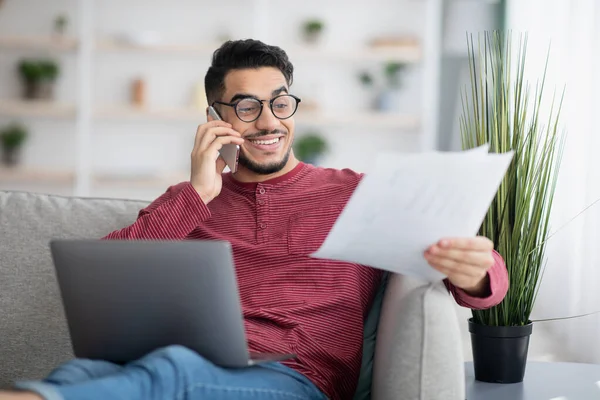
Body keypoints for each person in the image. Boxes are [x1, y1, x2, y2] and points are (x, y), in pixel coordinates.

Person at [0, 39, 508, 400]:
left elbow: (482, 278)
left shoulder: (354, 193)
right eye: (246, 107)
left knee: (171, 371)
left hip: (295, 379)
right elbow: (104, 272)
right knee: (84, 371)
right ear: (213, 121)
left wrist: (478, 272)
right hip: (179, 367)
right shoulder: (191, 202)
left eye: (279, 103)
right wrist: (198, 190)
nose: (268, 121)